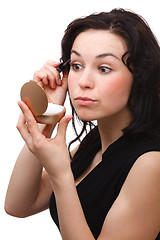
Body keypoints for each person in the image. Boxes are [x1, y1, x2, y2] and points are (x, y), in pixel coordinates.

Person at [5, 8, 160, 240]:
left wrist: (60, 175)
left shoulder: (151, 163)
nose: (84, 82)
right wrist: (43, 122)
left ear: (141, 78)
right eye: (77, 66)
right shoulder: (93, 144)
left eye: (104, 68)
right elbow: (18, 205)